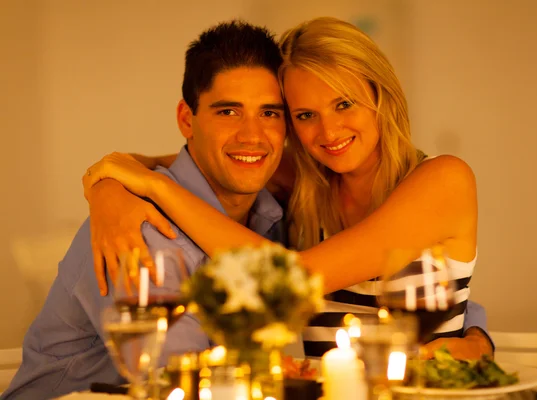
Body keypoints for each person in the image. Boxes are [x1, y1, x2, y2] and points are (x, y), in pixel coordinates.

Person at [83, 17, 491, 360]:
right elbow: (204, 159)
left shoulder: (443, 179)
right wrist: (109, 190)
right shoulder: (306, 184)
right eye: (305, 114)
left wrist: (158, 189)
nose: (328, 131)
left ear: (381, 95)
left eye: (344, 104)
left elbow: (295, 281)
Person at [2, 21, 288, 400]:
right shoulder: (141, 228)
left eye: (269, 113)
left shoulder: (271, 215)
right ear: (187, 119)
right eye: (228, 112)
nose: (252, 135)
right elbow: (175, 385)